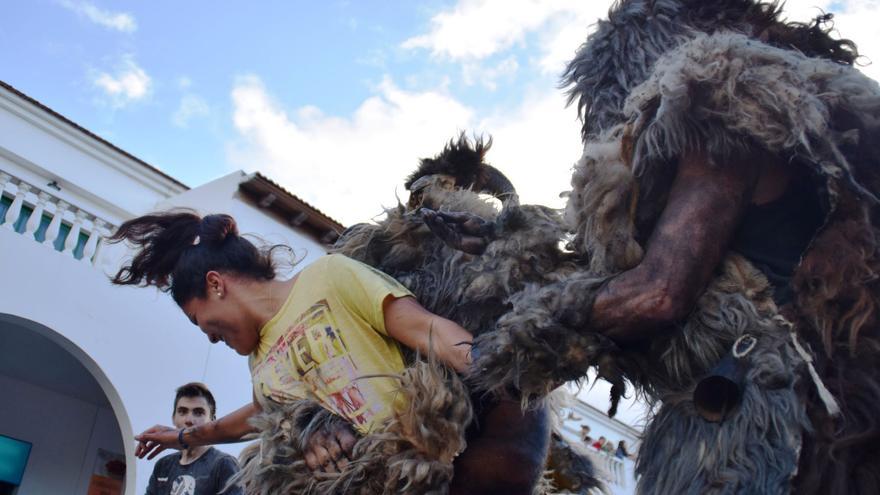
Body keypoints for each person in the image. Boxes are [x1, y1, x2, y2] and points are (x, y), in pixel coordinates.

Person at [430, 1, 880, 493]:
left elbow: (657, 293)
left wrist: (506, 347)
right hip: (770, 398)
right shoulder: (775, 128)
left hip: (770, 410)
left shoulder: (719, 112)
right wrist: (507, 245)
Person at [111, 211, 540, 494]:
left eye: (196, 317)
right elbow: (246, 423)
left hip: (432, 468)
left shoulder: (329, 277)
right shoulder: (259, 363)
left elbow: (423, 327)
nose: (206, 336)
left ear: (216, 284)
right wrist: (180, 437)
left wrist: (497, 361)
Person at [144, 383, 241, 495]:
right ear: (173, 418)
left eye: (198, 413)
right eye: (182, 411)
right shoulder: (163, 465)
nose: (189, 420)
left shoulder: (224, 464)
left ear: (213, 421)